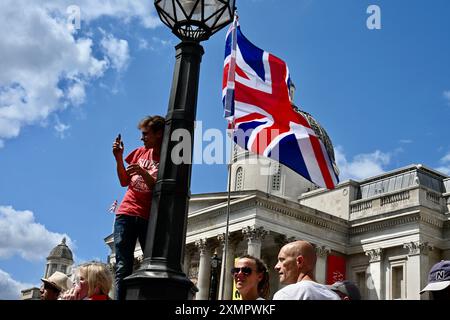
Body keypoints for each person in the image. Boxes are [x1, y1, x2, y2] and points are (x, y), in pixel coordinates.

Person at [112, 115, 165, 300]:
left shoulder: (168, 158)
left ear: (159, 134)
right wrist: (119, 158)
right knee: (122, 266)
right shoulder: (139, 152)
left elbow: (159, 187)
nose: (142, 138)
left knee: (151, 265)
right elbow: (123, 181)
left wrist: (143, 172)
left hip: (147, 217)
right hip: (126, 213)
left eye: (145, 134)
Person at [273, 240, 340, 300]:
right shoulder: (334, 296)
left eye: (282, 260)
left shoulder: (286, 294)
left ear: (299, 261)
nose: (276, 266)